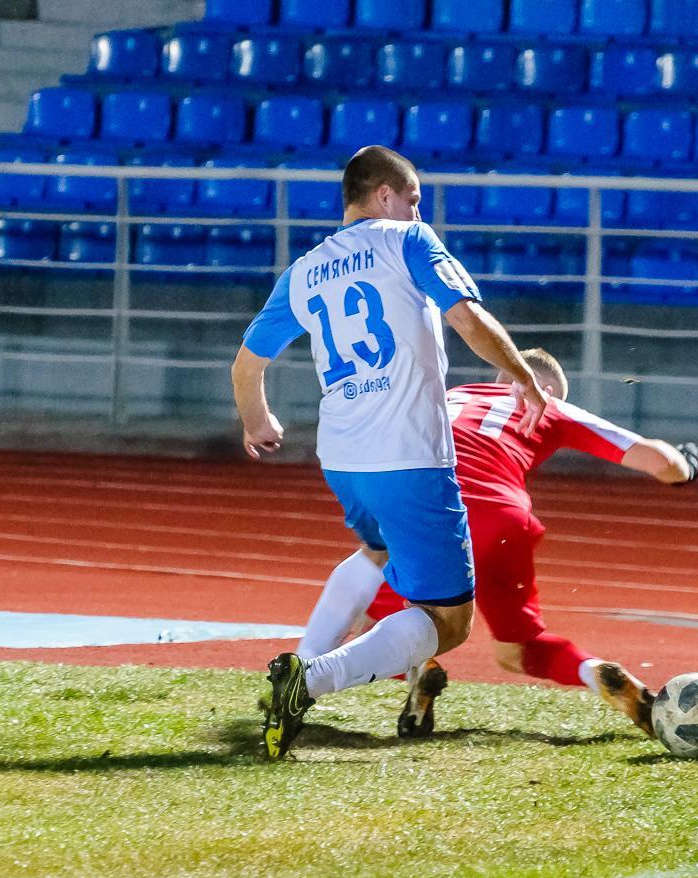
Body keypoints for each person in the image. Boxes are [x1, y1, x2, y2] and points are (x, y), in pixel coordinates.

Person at [232, 145, 548, 759]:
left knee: (376, 550)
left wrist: (258, 422)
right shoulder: (407, 241)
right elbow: (467, 316)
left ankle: (296, 667)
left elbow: (247, 366)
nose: (416, 210)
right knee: (449, 621)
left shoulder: (305, 269)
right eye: (413, 199)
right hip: (408, 455)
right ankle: (309, 679)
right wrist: (521, 374)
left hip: (343, 458)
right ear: (385, 195)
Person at [293, 348, 698, 740]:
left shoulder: (456, 394)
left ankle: (403, 670)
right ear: (545, 389)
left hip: (438, 507)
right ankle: (594, 670)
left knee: (384, 610)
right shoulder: (555, 408)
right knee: (518, 649)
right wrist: (686, 465)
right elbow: (660, 462)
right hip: (507, 519)